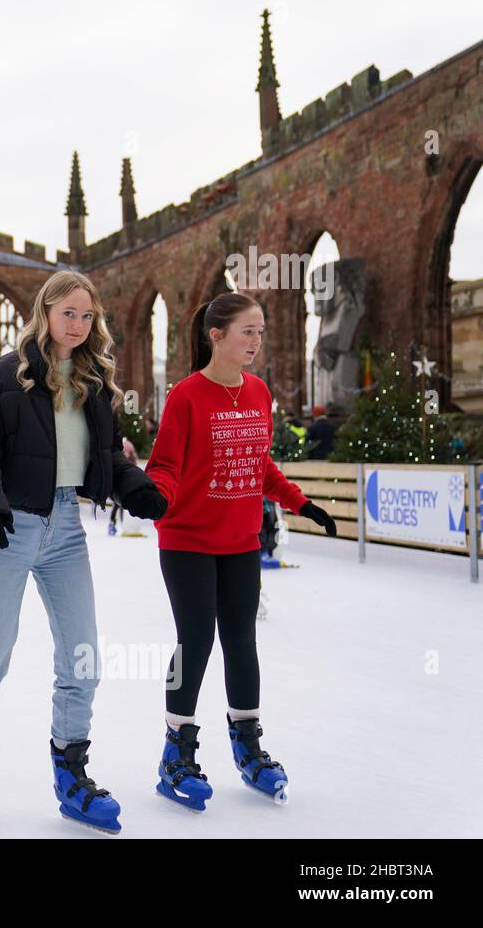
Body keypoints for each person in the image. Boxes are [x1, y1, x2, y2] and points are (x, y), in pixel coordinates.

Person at [0, 270, 164, 833]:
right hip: (8, 528)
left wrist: (137, 487)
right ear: (45, 311)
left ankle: (71, 774)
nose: (78, 325)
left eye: (87, 316)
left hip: (67, 532)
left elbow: (106, 456)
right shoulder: (6, 378)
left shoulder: (94, 382)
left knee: (83, 658)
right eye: (68, 313)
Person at [144, 291, 337, 810]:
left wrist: (302, 503)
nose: (256, 341)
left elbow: (260, 465)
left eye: (261, 331)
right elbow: (164, 464)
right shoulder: (185, 395)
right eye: (247, 331)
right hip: (186, 539)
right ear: (216, 336)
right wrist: (153, 495)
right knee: (196, 640)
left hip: (240, 542)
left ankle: (248, 746)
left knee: (242, 642)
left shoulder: (257, 393)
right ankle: (176, 752)